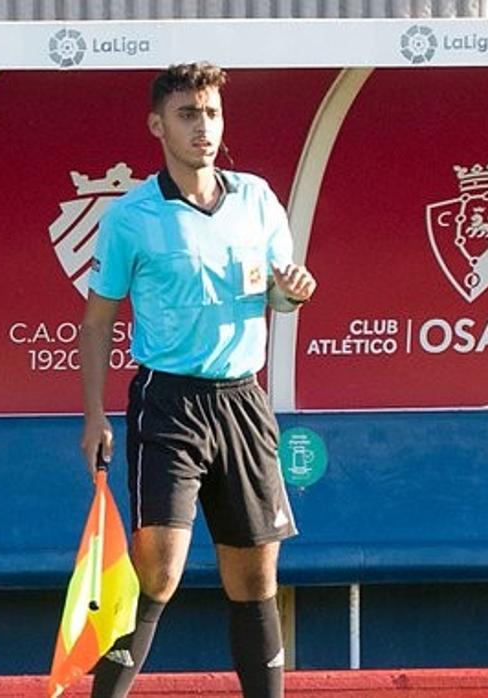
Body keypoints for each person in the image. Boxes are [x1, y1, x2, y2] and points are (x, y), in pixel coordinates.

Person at [78, 62, 316, 698]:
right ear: (158, 125)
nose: (202, 127)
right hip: (168, 402)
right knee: (158, 571)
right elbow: (98, 320)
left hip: (243, 401)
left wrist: (294, 293)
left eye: (211, 113)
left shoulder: (258, 198)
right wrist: (94, 413)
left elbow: (281, 294)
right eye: (188, 115)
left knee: (256, 578)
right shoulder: (131, 216)